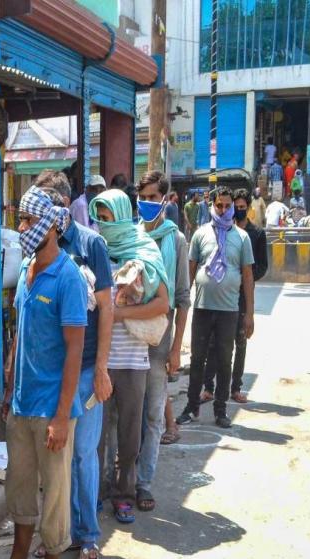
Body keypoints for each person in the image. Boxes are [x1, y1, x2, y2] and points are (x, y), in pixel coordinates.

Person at [0, 185, 87, 559]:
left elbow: (75, 352)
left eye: (28, 221)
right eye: (21, 220)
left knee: (55, 494)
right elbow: (20, 338)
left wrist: (62, 417)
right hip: (22, 405)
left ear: (49, 226)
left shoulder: (67, 278)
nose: (22, 228)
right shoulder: (27, 268)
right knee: (20, 489)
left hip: (52, 410)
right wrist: (9, 386)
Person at [26, 168, 112, 559]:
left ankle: (88, 534)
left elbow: (107, 309)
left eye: (49, 205)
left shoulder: (90, 244)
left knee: (82, 455)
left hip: (86, 366)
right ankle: (59, 534)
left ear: (63, 205)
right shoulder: (37, 251)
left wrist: (102, 369)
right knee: (54, 459)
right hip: (50, 375)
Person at [89, 189, 169, 525]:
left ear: (122, 215)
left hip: (134, 360)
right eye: (100, 218)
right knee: (96, 436)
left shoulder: (145, 250)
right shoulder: (96, 250)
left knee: (129, 434)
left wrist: (118, 313)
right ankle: (94, 495)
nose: (104, 225)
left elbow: (163, 304)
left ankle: (124, 494)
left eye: (109, 218)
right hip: (100, 360)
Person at [177, 187, 255, 429]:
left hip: (229, 310)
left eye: (227, 206)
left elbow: (248, 277)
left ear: (233, 207)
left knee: (224, 359)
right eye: (219, 205)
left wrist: (249, 314)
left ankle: (220, 410)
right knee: (197, 358)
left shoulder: (242, 238)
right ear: (212, 205)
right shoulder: (200, 235)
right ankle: (192, 407)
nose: (223, 210)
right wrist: (184, 304)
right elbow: (190, 270)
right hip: (202, 307)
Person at [136, 171, 191, 513]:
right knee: (122, 416)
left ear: (165, 200)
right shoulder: (130, 236)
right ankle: (122, 480)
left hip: (159, 342)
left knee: (153, 416)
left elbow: (183, 298)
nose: (147, 203)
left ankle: (144, 483)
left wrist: (175, 350)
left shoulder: (177, 240)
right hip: (127, 342)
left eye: (153, 197)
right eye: (143, 197)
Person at [201, 189, 268, 405]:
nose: (236, 211)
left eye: (240, 208)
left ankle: (235, 387)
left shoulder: (255, 234)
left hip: (239, 297)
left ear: (247, 208)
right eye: (233, 207)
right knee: (213, 342)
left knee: (239, 342)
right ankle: (208, 387)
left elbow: (261, 267)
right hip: (220, 296)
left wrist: (242, 278)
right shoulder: (220, 230)